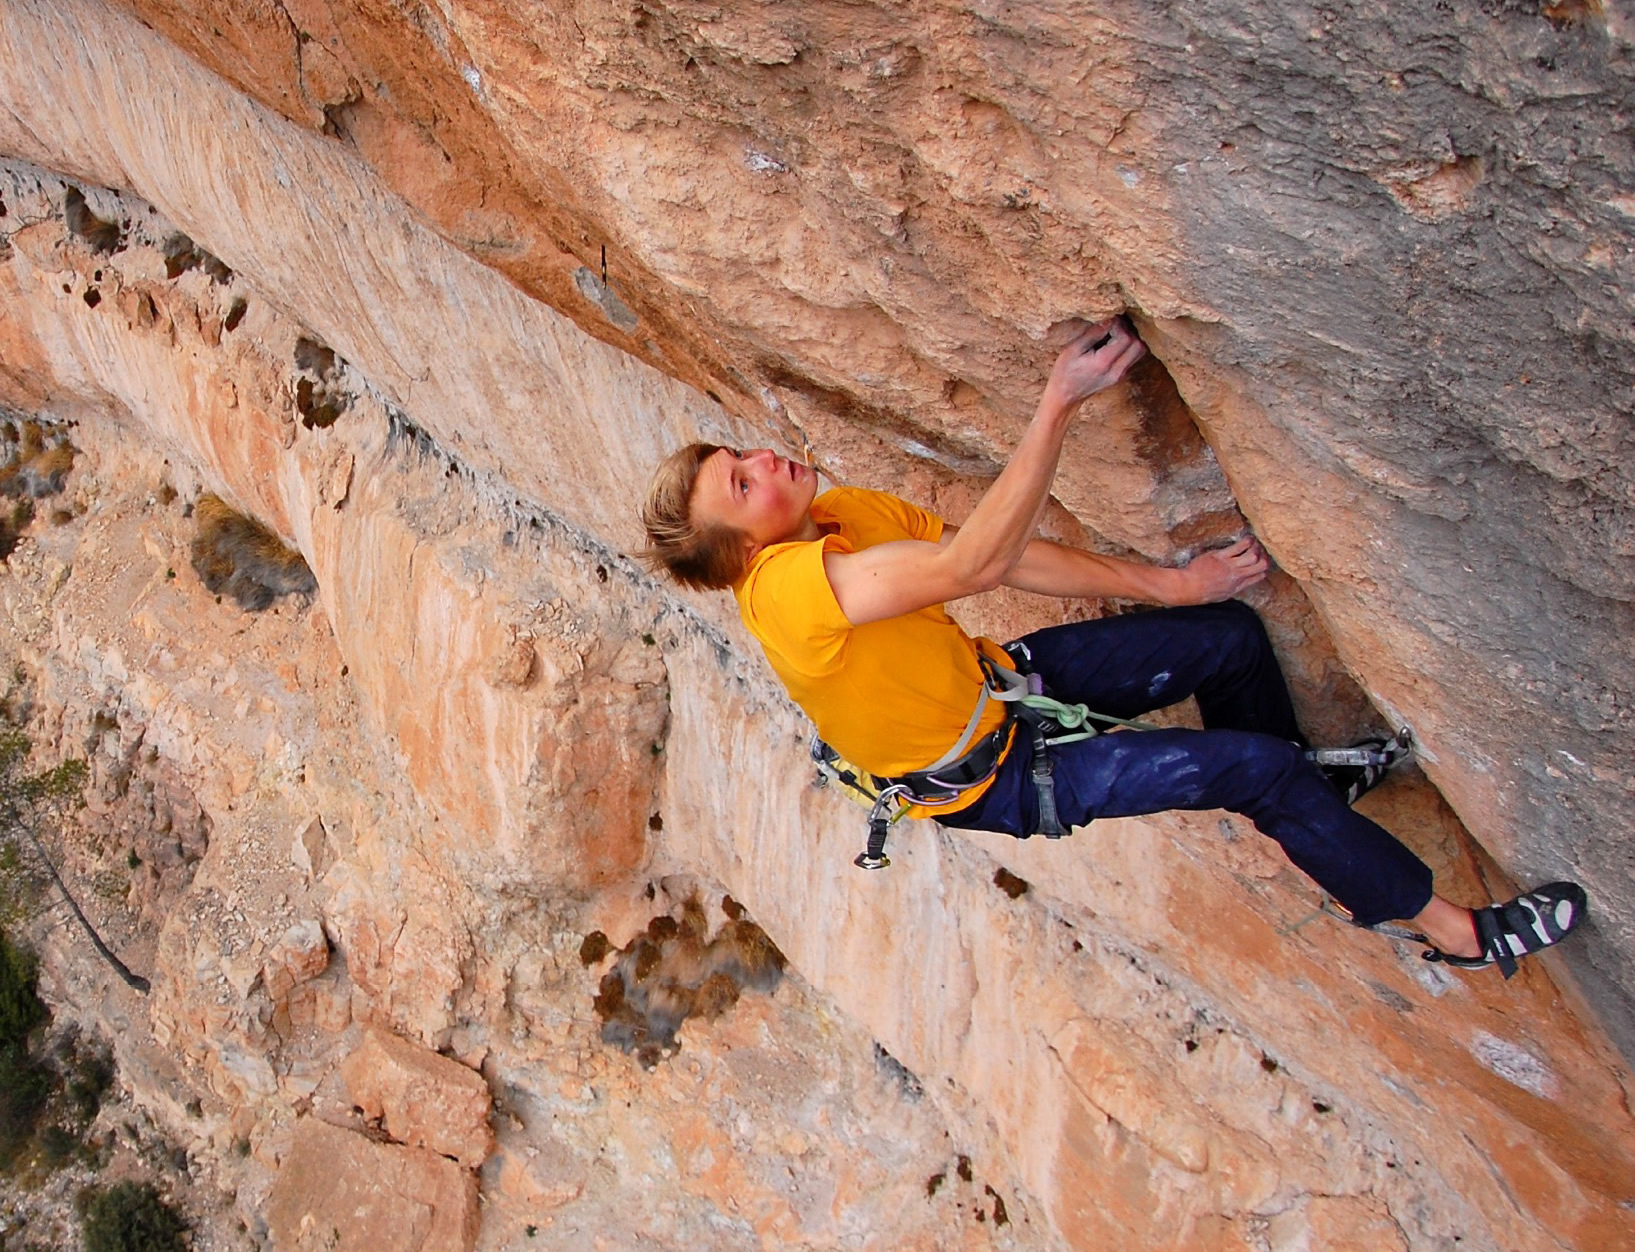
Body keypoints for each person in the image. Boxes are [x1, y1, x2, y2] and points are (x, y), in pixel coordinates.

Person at [641, 317, 1586, 978]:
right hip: (995, 780)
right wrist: (1057, 404)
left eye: (743, 454)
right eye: (742, 482)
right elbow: (978, 562)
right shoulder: (783, 592)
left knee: (1228, 638)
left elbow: (1006, 557)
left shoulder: (839, 516)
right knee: (1252, 771)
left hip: (998, 692)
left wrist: (1176, 586)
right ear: (744, 550)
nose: (765, 461)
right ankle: (1456, 935)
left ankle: (1317, 798)